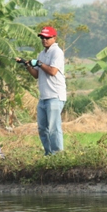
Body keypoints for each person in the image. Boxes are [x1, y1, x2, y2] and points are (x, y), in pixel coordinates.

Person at [18, 26, 66, 155]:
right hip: (44, 97)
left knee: (53, 128)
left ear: (54, 38)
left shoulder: (57, 52)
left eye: (47, 37)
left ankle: (58, 155)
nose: (44, 40)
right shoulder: (42, 53)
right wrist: (27, 65)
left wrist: (39, 63)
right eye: (42, 38)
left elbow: (52, 71)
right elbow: (36, 75)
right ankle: (49, 154)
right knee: (42, 128)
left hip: (55, 96)